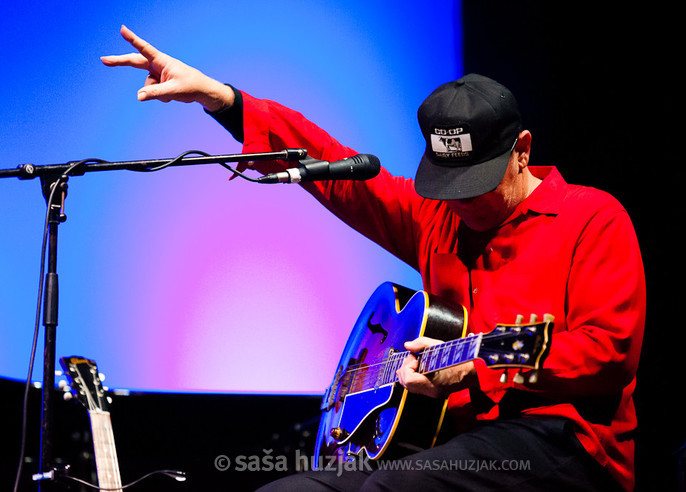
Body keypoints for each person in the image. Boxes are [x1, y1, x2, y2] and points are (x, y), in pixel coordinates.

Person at [102, 25, 645, 491]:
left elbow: (608, 352)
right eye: (450, 185)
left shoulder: (592, 218)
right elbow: (339, 171)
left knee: (394, 486)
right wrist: (222, 99)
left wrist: (476, 371)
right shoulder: (440, 216)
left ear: (522, 149)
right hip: (450, 447)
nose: (461, 202)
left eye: (476, 185)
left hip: (566, 447)